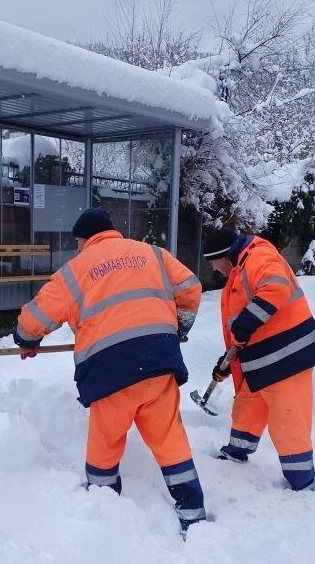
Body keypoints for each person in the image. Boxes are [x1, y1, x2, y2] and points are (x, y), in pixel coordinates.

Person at [14, 208, 206, 535]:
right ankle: (193, 512)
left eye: (77, 242)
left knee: (106, 443)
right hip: (159, 361)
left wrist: (26, 340)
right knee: (170, 440)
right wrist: (179, 328)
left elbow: (37, 315)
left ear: (84, 239)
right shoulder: (153, 254)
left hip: (111, 370)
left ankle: (105, 515)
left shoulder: (76, 270)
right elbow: (190, 288)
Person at [203, 226, 315, 490]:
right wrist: (228, 363)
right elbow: (241, 332)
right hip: (262, 359)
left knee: (288, 420)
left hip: (288, 358)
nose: (215, 269)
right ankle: (236, 452)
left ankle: (301, 481)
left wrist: (246, 323)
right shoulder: (240, 268)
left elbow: (275, 287)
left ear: (225, 255)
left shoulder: (259, 257)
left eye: (215, 262)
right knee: (247, 407)